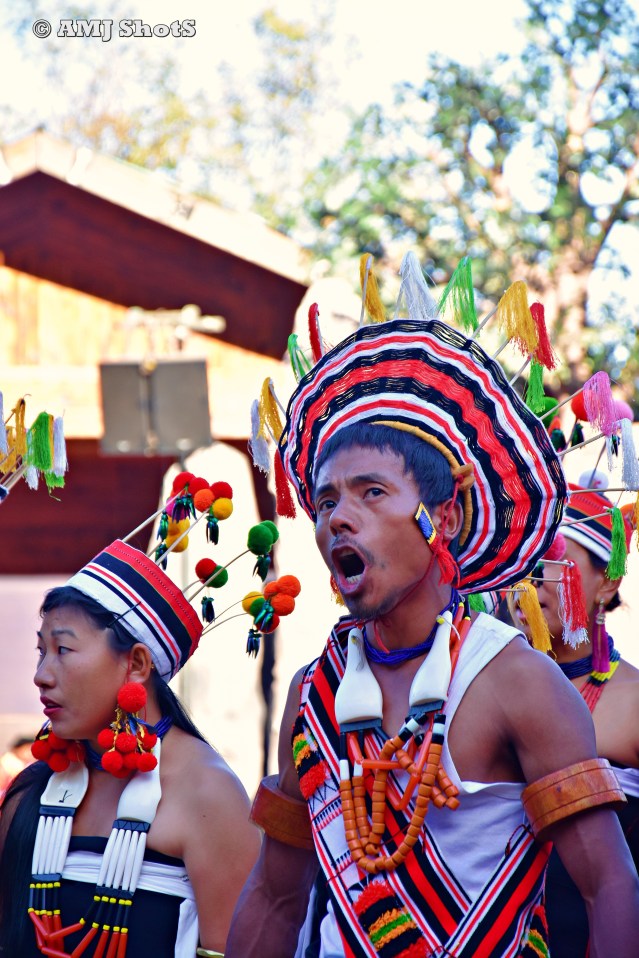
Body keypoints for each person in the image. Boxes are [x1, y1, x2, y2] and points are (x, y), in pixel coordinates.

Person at [226, 263, 639, 958]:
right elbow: (274, 894)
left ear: (441, 516)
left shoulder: (516, 682)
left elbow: (610, 886)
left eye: (370, 494)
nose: (338, 520)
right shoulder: (311, 695)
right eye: (325, 501)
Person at [0, 536, 260, 957]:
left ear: (137, 663)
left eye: (63, 650)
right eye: (41, 651)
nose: (41, 675)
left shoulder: (208, 795)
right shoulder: (33, 790)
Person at [514, 482, 639, 956]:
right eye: (525, 563)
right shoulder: (479, 691)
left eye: (555, 562)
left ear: (607, 581)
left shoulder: (632, 703)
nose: (534, 581)